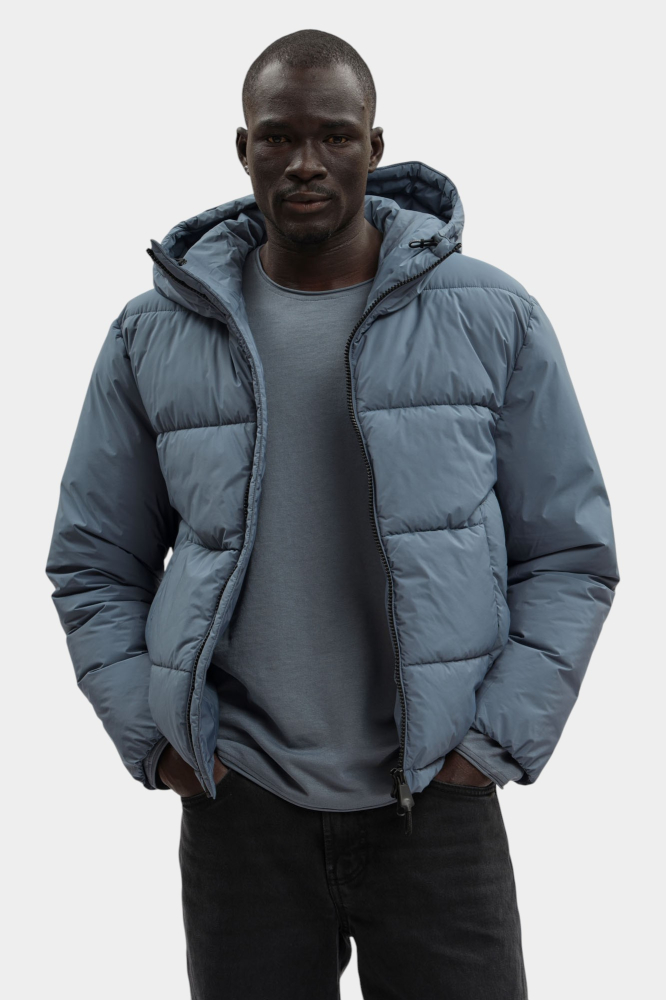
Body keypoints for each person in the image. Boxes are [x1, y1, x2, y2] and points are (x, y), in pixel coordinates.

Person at [45, 28, 619, 1000]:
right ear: (244, 148)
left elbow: (569, 555)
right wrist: (159, 737)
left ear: (374, 146)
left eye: (334, 136)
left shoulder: (492, 315)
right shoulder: (154, 334)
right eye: (279, 136)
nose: (305, 161)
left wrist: (488, 745)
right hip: (243, 810)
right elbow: (94, 561)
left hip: (436, 800)